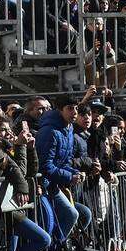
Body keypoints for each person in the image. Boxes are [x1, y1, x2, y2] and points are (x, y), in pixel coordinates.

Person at [35, 95, 91, 240]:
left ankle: (58, 248)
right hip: (42, 187)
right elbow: (45, 165)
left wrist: (76, 172)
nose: (75, 112)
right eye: (70, 108)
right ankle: (54, 248)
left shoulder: (68, 129)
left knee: (73, 215)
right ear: (60, 110)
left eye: (76, 108)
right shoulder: (50, 131)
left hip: (53, 185)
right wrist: (69, 176)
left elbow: (65, 162)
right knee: (51, 223)